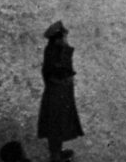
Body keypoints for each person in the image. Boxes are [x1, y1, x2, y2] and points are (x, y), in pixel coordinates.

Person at [37, 22, 83, 162]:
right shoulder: (60, 53)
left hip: (56, 94)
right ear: (58, 39)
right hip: (59, 96)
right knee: (57, 126)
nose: (66, 39)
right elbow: (65, 72)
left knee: (56, 126)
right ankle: (55, 157)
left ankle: (56, 152)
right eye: (64, 36)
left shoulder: (51, 50)